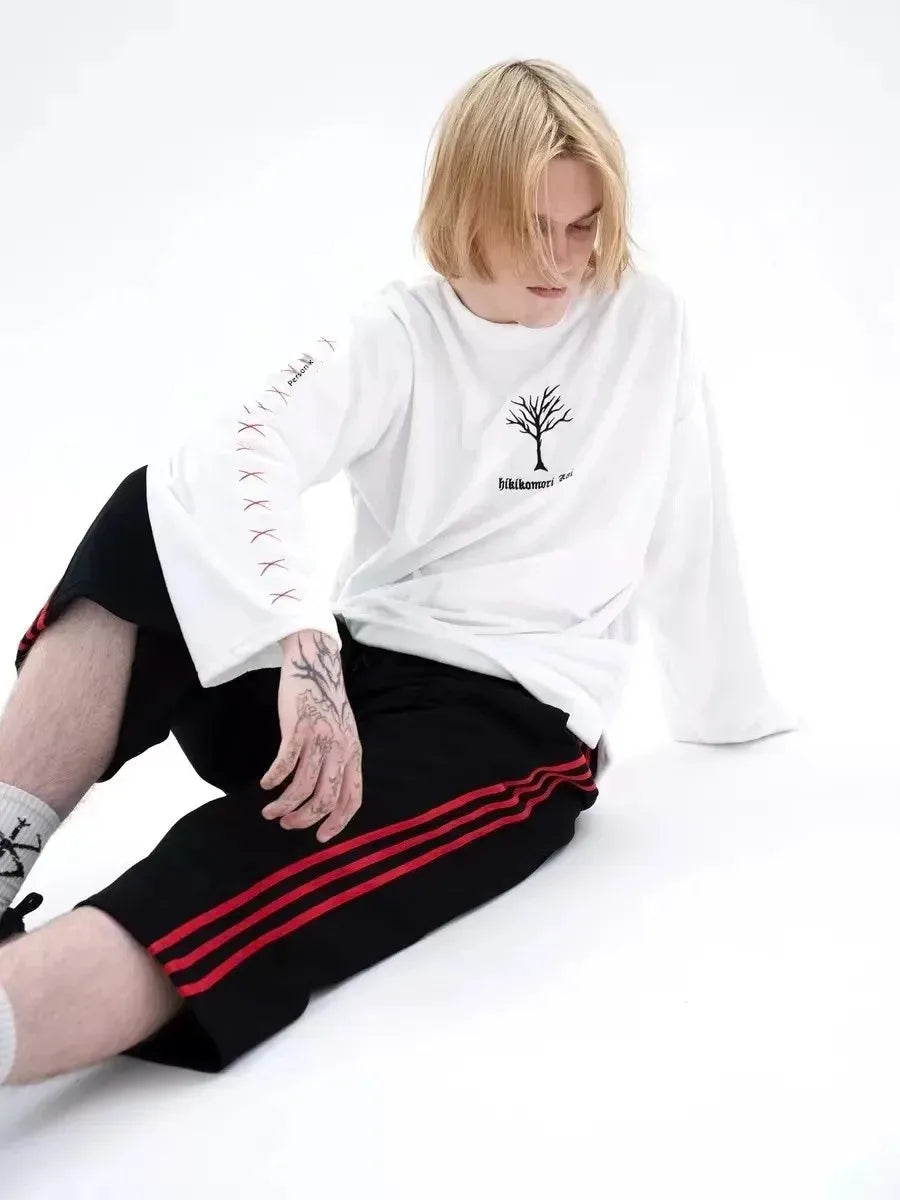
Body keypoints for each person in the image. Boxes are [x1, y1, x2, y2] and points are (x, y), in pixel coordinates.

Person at [0, 57, 798, 1086]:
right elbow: (241, 450)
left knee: (236, 876)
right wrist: (304, 647)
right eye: (536, 228)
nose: (567, 261)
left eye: (587, 225)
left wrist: (727, 709)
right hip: (341, 679)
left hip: (505, 723)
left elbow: (690, 517)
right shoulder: (400, 333)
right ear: (467, 211)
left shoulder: (645, 321)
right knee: (155, 510)